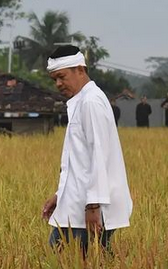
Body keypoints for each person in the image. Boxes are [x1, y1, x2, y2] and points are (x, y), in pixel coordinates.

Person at [42, 45, 132, 255]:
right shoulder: (81, 101)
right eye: (54, 79)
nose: (58, 84)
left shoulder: (91, 102)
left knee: (65, 257)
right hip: (77, 202)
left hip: (89, 209)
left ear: (80, 70)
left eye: (62, 77)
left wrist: (93, 207)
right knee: (85, 259)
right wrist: (59, 194)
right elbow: (80, 161)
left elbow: (98, 156)